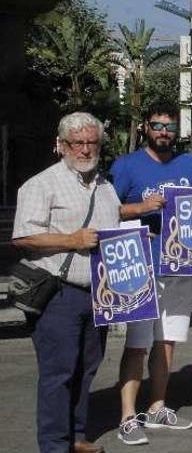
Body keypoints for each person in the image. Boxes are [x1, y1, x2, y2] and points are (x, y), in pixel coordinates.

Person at [13, 112, 121, 453]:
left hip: (98, 295)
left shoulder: (104, 185)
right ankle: (54, 445)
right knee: (58, 375)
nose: (86, 149)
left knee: (87, 370)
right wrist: (71, 240)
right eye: (78, 143)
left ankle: (76, 437)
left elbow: (114, 222)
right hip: (59, 294)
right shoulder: (41, 184)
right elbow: (24, 238)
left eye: (92, 142)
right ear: (61, 145)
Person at [110, 101, 192, 445]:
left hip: (179, 267)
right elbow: (108, 210)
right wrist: (141, 207)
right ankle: (126, 417)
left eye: (169, 127)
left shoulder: (188, 162)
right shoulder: (126, 165)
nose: (164, 132)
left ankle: (157, 406)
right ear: (145, 128)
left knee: (167, 343)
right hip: (141, 266)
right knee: (137, 345)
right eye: (157, 125)